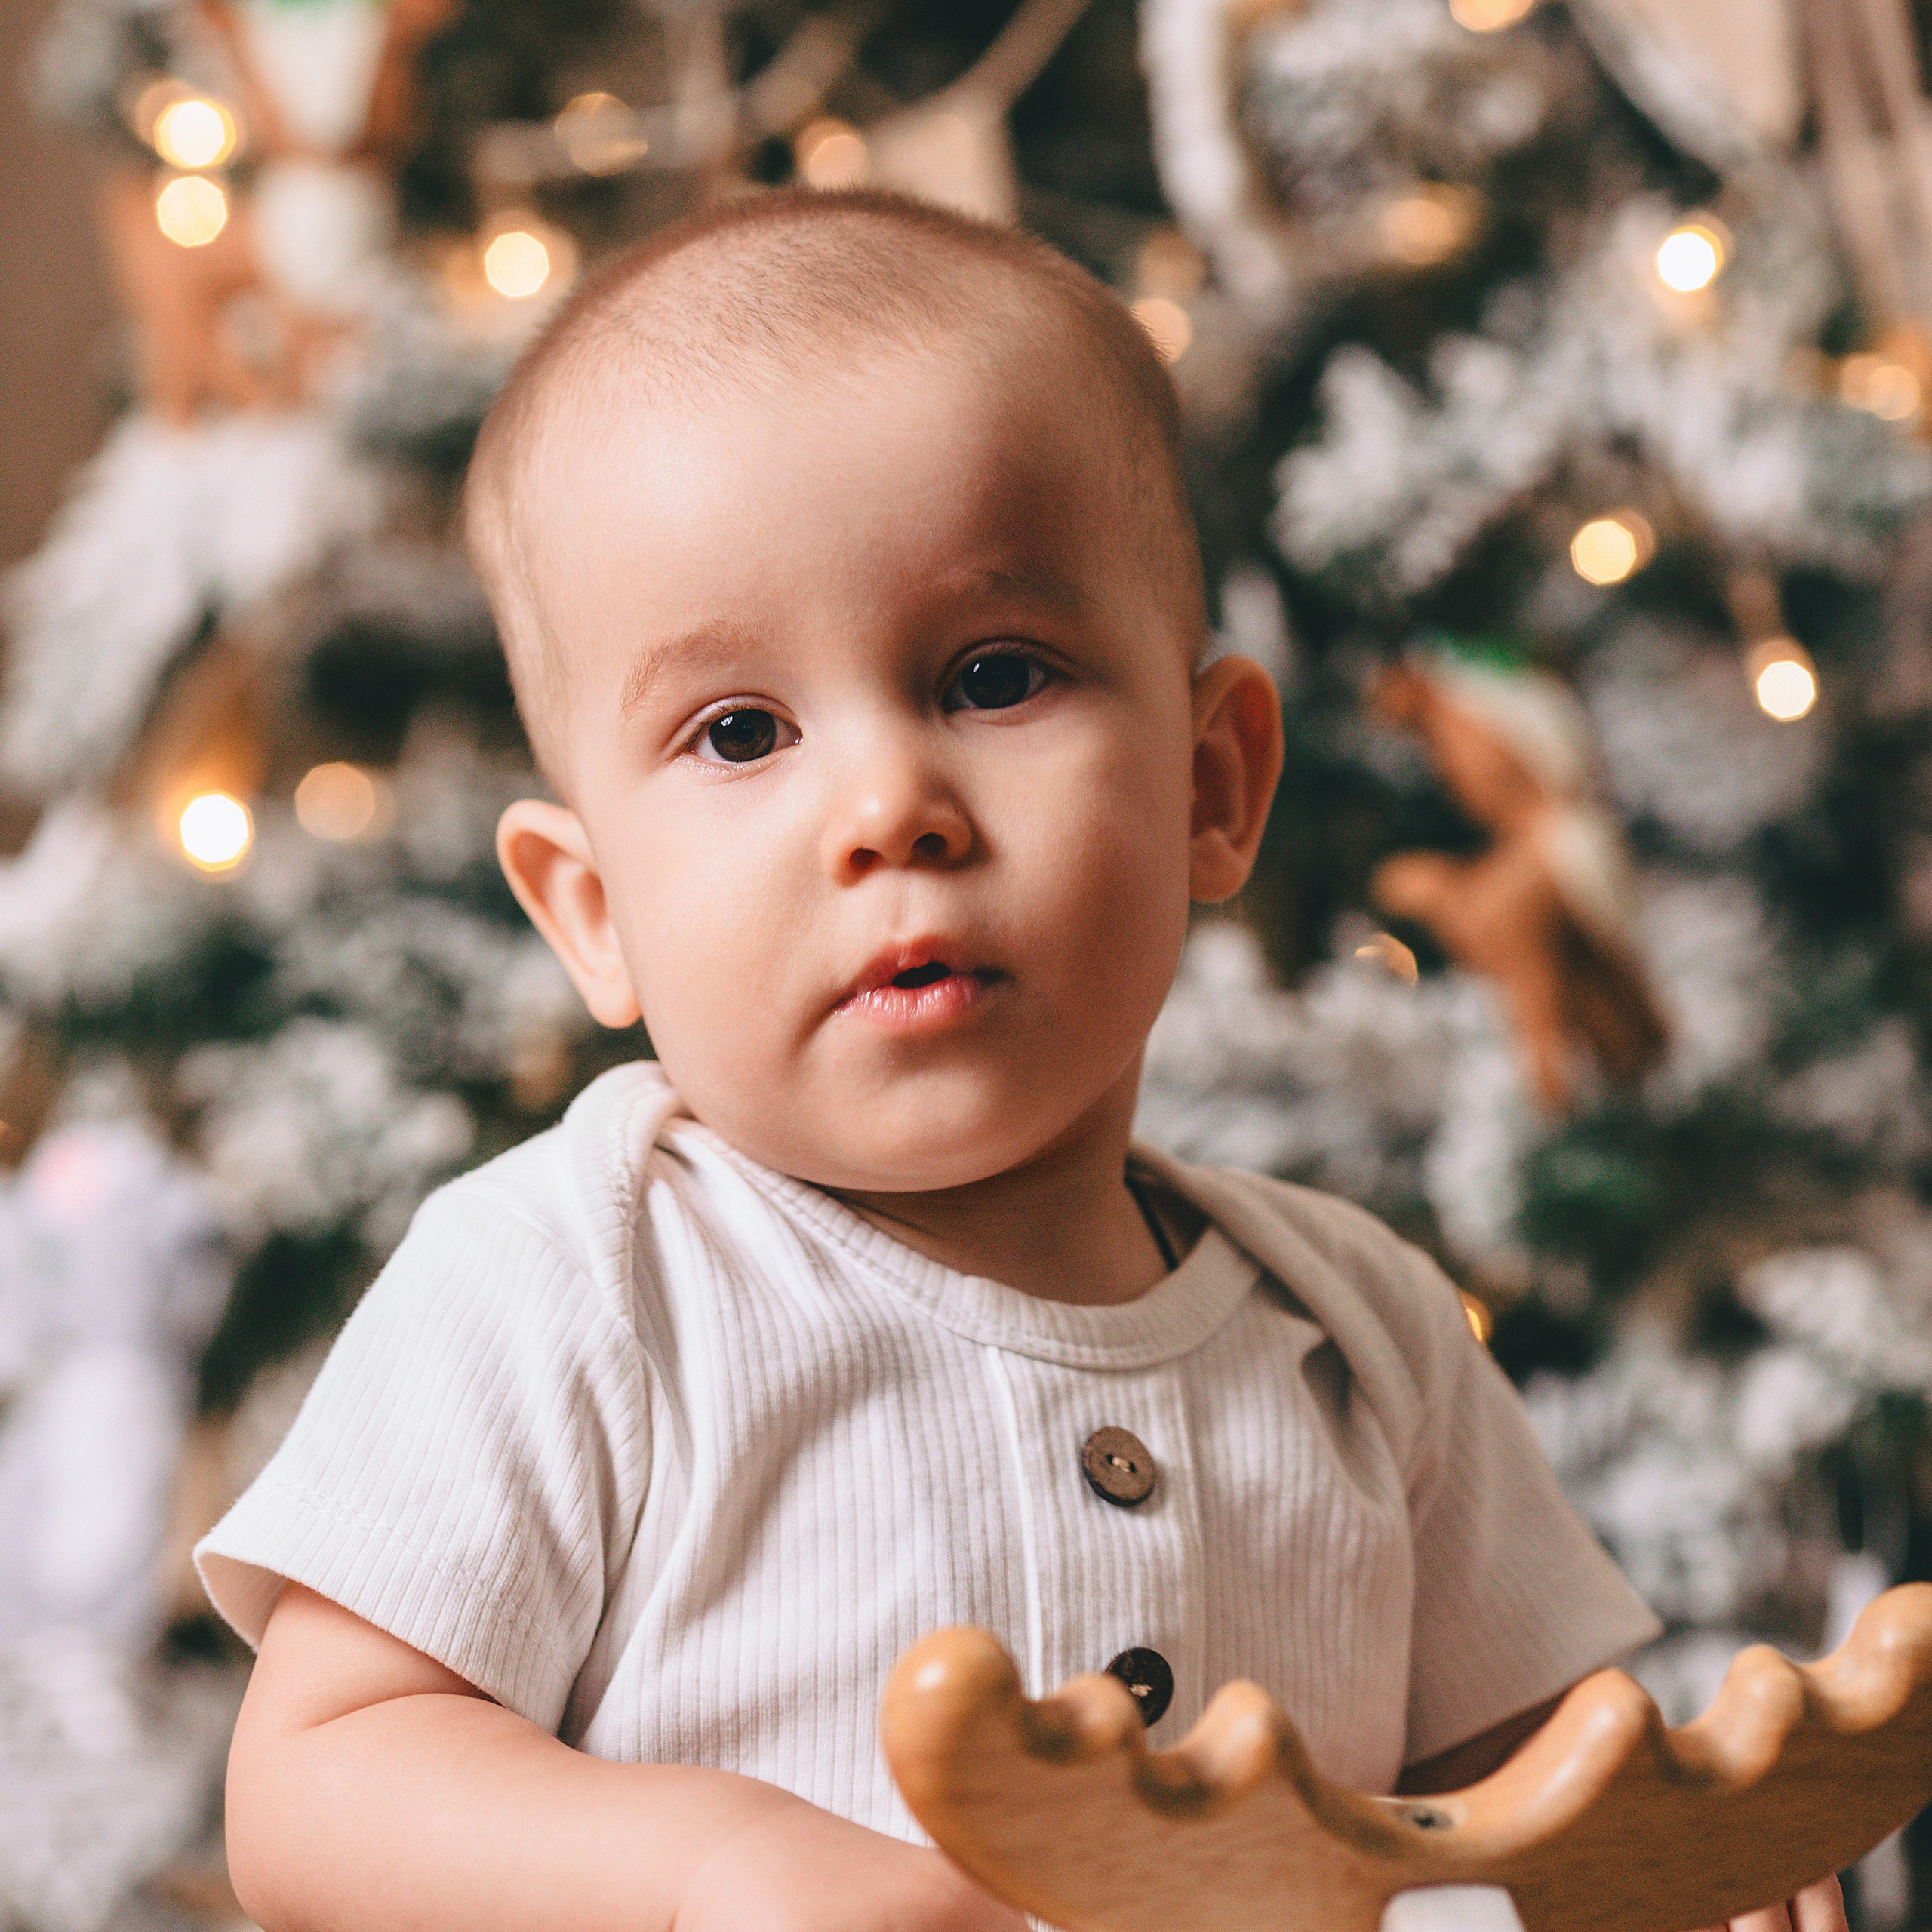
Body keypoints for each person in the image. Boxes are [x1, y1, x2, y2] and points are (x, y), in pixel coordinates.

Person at [195, 189, 1841, 1932]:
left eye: (992, 674)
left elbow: (1526, 1789)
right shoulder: (569, 1279)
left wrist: (1663, 1876)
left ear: (1211, 784)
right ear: (589, 909)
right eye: (739, 730)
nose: (887, 805)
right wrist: (706, 1867)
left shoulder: (1361, 1331)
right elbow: (317, 1783)